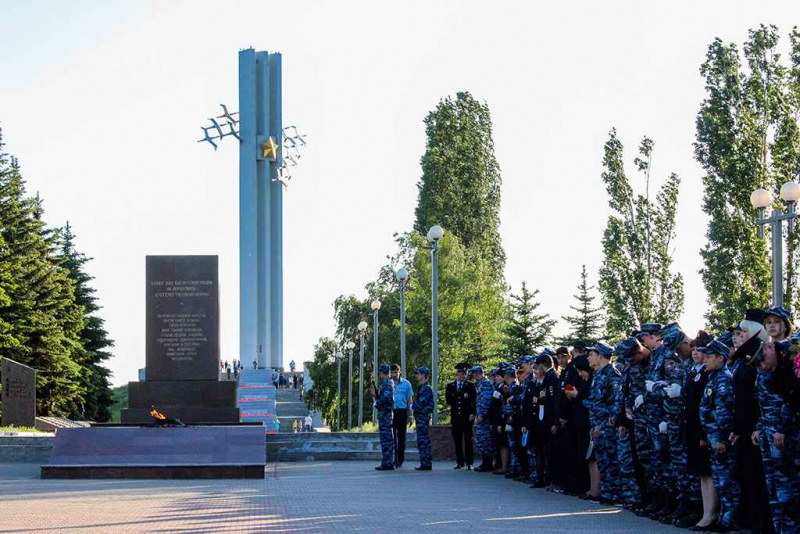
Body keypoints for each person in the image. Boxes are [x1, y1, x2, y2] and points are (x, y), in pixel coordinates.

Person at [729, 310, 773, 534]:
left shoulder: (759, 354)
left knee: (759, 479)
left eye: (744, 331)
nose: (739, 335)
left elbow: (759, 397)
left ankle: (762, 525)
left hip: (758, 428)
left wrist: (756, 426)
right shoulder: (743, 358)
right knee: (747, 477)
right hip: (744, 428)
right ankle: (752, 521)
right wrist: (737, 428)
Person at [754, 340, 798, 534]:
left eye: (762, 361)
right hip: (769, 433)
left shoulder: (790, 360)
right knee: (775, 490)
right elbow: (763, 404)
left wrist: (780, 428)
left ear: (769, 348)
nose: (762, 367)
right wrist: (758, 428)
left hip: (786, 436)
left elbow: (790, 400)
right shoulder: (773, 367)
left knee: (788, 492)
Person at [698, 338, 741, 533]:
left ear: (721, 358)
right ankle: (724, 516)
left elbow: (724, 412)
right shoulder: (713, 376)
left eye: (708, 357)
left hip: (721, 439)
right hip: (713, 436)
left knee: (727, 481)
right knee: (720, 480)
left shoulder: (723, 378)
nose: (704, 360)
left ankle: (729, 520)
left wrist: (722, 439)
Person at [680, 331, 714, 530]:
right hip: (691, 427)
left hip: (702, 430)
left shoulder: (708, 374)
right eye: (693, 349)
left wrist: (703, 433)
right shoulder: (695, 371)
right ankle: (704, 512)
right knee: (701, 474)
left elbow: (705, 405)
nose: (694, 352)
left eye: (700, 349)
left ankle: (710, 514)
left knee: (708, 473)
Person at [585, 341, 621, 505]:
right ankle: (606, 492)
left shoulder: (612, 375)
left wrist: (602, 425)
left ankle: (615, 494)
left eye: (591, 355)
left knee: (611, 460)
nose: (588, 358)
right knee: (603, 461)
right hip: (596, 425)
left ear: (601, 356)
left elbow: (614, 405)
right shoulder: (598, 374)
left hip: (607, 427)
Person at [612, 337, 645, 512]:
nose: (627, 363)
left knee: (642, 463)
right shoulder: (630, 368)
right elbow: (624, 395)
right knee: (629, 462)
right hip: (629, 420)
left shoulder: (643, 366)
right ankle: (635, 498)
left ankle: (643, 498)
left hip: (644, 421)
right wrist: (622, 419)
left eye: (630, 359)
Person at [445, 362, 476, 469]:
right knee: (457, 440)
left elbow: (474, 402)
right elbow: (448, 400)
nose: (463, 375)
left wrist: (473, 413)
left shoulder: (471, 386)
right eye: (461, 373)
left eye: (465, 373)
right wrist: (458, 395)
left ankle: (469, 463)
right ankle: (459, 462)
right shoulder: (450, 386)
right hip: (456, 418)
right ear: (457, 374)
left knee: (468, 440)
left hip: (467, 417)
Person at [471, 365, 496, 472]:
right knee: (481, 441)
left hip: (484, 418)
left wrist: (481, 415)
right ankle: (485, 462)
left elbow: (486, 401)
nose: (473, 376)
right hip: (481, 416)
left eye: (474, 374)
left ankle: (488, 463)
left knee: (485, 441)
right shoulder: (481, 384)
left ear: (478, 373)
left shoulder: (485, 384)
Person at [390, 363, 413, 468]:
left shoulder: (406, 384)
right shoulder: (388, 383)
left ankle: (400, 459)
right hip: (391, 412)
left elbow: (409, 401)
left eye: (396, 372)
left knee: (401, 437)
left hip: (402, 412)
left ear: (399, 372)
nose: (394, 374)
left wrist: (410, 415)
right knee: (392, 437)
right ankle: (393, 459)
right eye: (392, 372)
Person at [373, 364, 395, 471]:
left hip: (386, 415)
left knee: (386, 439)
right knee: (385, 439)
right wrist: (376, 395)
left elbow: (386, 399)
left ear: (383, 372)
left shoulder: (387, 383)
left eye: (380, 372)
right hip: (384, 414)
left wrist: (376, 402)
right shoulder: (386, 383)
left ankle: (388, 463)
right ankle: (386, 461)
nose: (379, 374)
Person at [412, 366, 434, 471]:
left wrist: (412, 406)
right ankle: (424, 462)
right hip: (420, 417)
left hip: (423, 418)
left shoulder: (426, 388)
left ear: (424, 375)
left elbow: (421, 403)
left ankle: (426, 463)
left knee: (424, 440)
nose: (417, 375)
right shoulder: (421, 387)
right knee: (421, 440)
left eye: (418, 373)